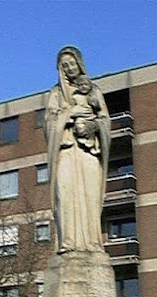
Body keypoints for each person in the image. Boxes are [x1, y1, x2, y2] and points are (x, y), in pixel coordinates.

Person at [44, 46, 111, 254]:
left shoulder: (93, 90)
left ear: (79, 64)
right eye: (64, 65)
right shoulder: (56, 94)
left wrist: (93, 126)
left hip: (88, 151)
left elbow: (105, 120)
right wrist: (69, 113)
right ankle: (68, 241)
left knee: (90, 195)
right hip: (66, 151)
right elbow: (49, 124)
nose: (69, 68)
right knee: (64, 193)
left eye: (72, 63)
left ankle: (92, 242)